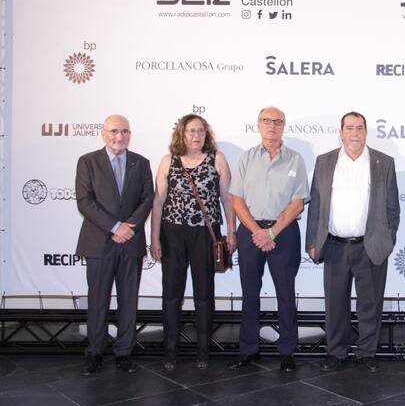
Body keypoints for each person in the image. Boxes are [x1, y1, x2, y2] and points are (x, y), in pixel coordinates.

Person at [306, 112, 400, 373]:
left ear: (366, 132)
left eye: (359, 128)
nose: (355, 133)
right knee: (335, 304)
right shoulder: (325, 161)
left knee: (370, 304)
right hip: (334, 245)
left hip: (370, 245)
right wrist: (313, 240)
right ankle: (336, 352)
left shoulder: (384, 162)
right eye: (349, 128)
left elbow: (393, 207)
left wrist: (387, 239)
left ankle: (367, 353)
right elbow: (316, 204)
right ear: (341, 132)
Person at [150, 114, 236, 371]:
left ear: (206, 134)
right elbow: (158, 202)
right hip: (172, 234)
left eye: (200, 130)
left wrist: (231, 231)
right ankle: (170, 352)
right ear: (181, 134)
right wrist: (154, 237)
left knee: (204, 294)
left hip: (205, 235)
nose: (196, 135)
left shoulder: (217, 159)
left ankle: (203, 352)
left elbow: (227, 198)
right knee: (171, 295)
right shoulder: (168, 161)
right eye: (191, 131)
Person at [228, 106, 309, 372]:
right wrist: (258, 232)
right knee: (250, 293)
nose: (272, 125)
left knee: (285, 293)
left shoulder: (295, 159)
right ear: (259, 124)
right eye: (267, 120)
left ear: (284, 126)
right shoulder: (246, 158)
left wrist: (272, 232)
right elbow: (237, 200)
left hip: (283, 233)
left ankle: (287, 351)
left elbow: (298, 202)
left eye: (277, 121)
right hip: (251, 232)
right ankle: (248, 349)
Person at [75, 115, 153, 375]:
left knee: (129, 300)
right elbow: (84, 201)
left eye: (125, 131)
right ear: (103, 133)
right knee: (98, 300)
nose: (120, 136)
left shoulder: (141, 163)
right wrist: (114, 227)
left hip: (131, 242)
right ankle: (94, 352)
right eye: (114, 131)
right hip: (99, 243)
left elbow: (147, 199)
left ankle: (124, 353)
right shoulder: (88, 162)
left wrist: (128, 226)